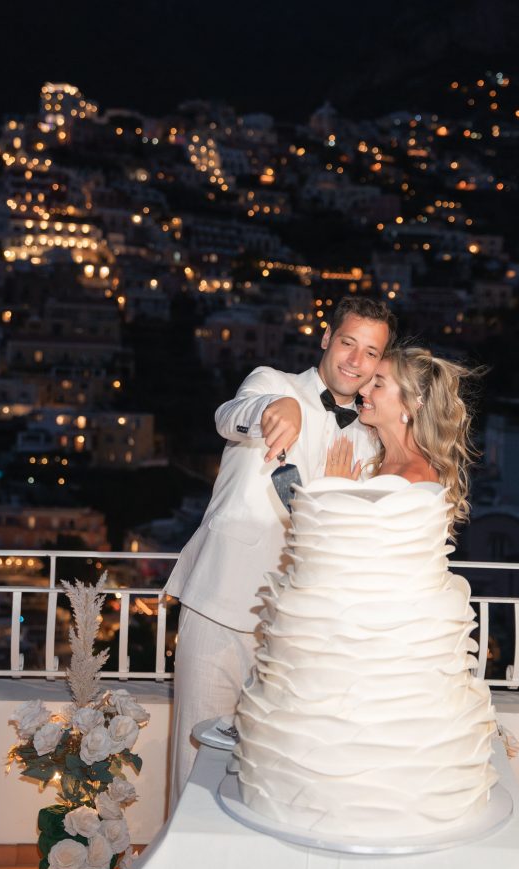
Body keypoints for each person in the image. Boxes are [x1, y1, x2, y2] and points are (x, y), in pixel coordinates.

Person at [165, 297, 396, 806]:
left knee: (267, 774)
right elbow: (229, 416)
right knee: (196, 759)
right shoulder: (273, 383)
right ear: (326, 339)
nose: (355, 361)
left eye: (371, 352)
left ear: (381, 363)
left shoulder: (372, 441)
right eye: (347, 343)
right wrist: (273, 411)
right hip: (221, 603)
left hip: (297, 632)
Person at [325, 345, 478, 534]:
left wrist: (337, 494)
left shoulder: (413, 480)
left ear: (409, 404)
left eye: (378, 385)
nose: (363, 389)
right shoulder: (378, 455)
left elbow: (370, 552)